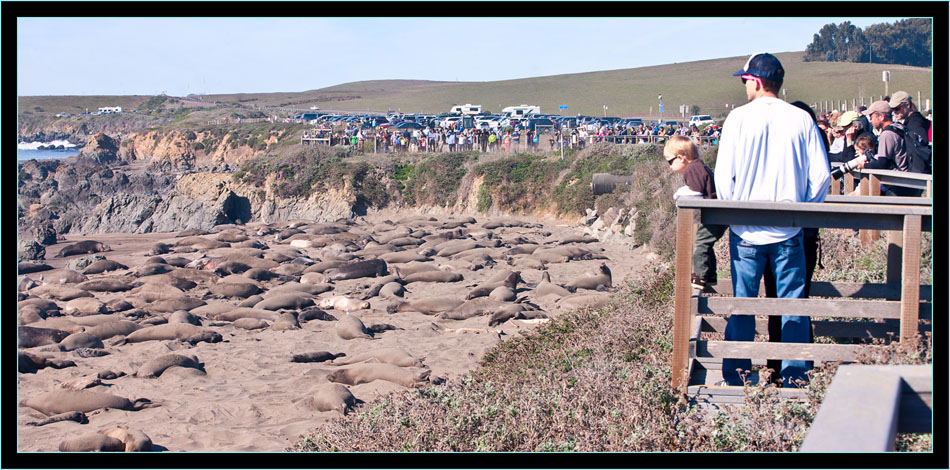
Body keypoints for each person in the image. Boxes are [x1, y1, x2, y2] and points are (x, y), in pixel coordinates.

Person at [713, 53, 830, 388]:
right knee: (792, 303)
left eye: (745, 80)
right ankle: (795, 374)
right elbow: (820, 176)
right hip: (790, 227)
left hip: (746, 229)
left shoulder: (737, 119)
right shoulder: (800, 119)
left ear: (758, 81)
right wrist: (805, 210)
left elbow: (724, 177)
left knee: (743, 303)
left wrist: (733, 211)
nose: (744, 85)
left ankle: (737, 374)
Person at [665, 135, 726, 291]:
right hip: (718, 213)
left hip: (717, 215)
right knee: (706, 243)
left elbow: (695, 193)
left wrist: (678, 195)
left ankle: (700, 277)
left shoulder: (692, 169)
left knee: (701, 243)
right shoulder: (698, 166)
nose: (669, 166)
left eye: (670, 161)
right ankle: (709, 275)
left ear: (681, 157)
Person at [857, 100, 924, 196]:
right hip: (911, 181)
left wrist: (864, 166)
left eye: (871, 116)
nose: (870, 120)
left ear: (881, 116)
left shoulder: (887, 134)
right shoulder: (900, 127)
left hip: (898, 184)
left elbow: (882, 163)